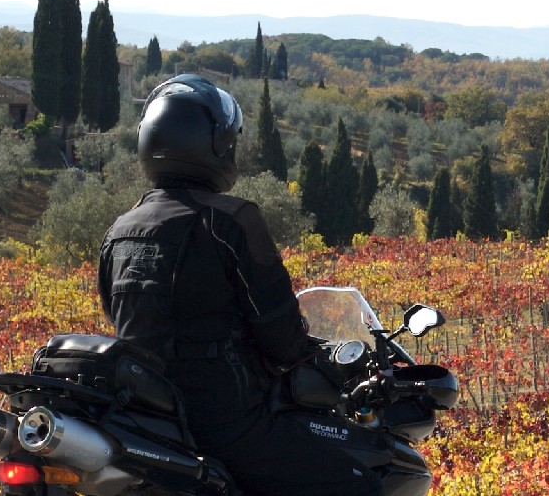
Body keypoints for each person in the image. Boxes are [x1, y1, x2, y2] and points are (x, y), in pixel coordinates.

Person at [97, 74, 382, 496]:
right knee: (357, 483)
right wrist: (312, 360)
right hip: (219, 416)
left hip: (141, 411)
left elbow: (115, 313)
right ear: (214, 145)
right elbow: (279, 330)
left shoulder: (119, 230)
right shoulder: (229, 221)